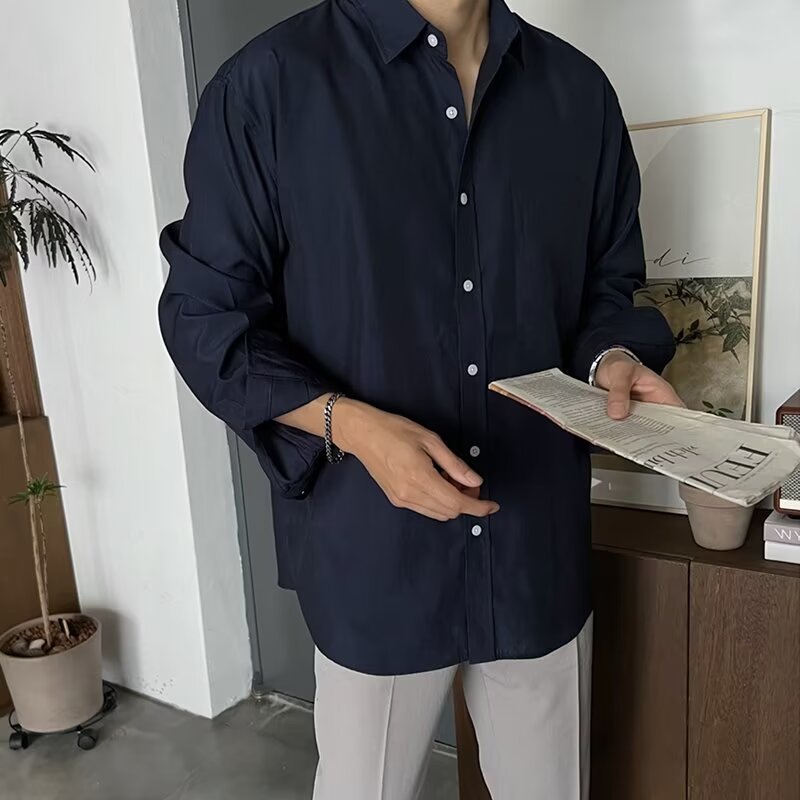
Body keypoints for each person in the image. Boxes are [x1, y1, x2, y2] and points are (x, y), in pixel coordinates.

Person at [159, 0, 681, 796]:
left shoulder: (578, 94)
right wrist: (353, 427)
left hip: (532, 547)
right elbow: (206, 319)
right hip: (374, 553)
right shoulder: (271, 86)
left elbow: (607, 286)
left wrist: (613, 358)